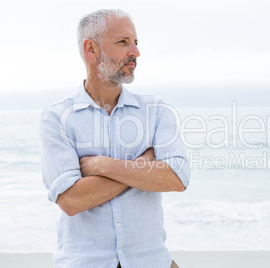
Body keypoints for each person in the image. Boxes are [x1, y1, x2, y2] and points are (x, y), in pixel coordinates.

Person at [39, 9, 190, 268]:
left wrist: (103, 166)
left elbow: (177, 178)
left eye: (136, 42)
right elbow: (72, 201)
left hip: (152, 261)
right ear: (91, 49)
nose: (136, 52)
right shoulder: (57, 118)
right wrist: (144, 164)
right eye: (123, 42)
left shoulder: (156, 112)